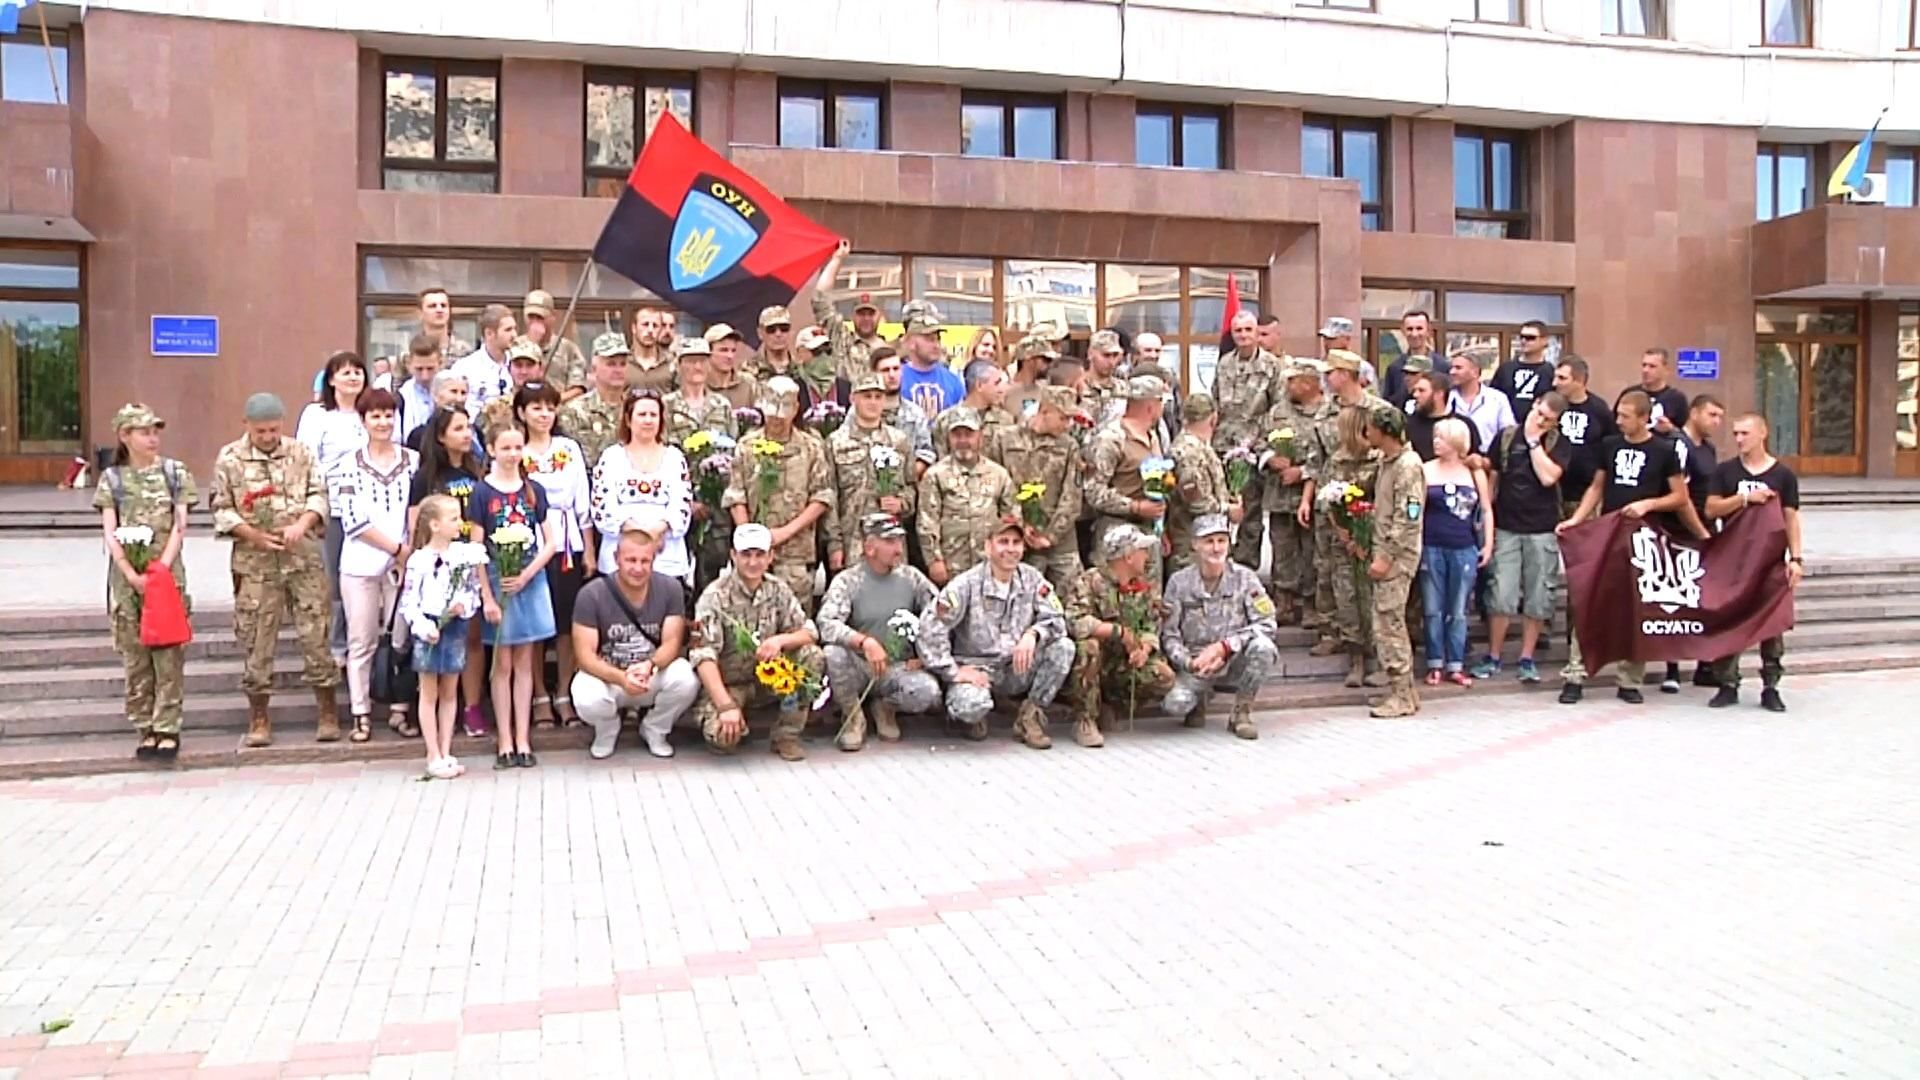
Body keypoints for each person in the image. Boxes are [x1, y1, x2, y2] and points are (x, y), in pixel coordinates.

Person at [1556, 389, 1711, 705]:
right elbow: (1597, 486)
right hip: (1609, 534)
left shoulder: (1664, 450)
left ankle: (1630, 679)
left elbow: (1679, 497)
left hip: (1644, 537)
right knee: (1592, 601)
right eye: (1618, 414)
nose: (1619, 420)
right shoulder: (1610, 445)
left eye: (1626, 416)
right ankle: (1576, 674)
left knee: (1637, 608)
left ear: (1644, 418)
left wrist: (1649, 504)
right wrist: (1578, 520)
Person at [210, 393, 340, 746]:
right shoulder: (231, 458)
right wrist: (251, 533)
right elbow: (221, 507)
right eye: (261, 430)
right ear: (246, 425)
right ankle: (259, 717)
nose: (268, 436)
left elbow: (319, 493)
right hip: (256, 563)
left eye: (273, 429)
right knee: (256, 639)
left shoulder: (301, 453)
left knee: (315, 632)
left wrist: (304, 522)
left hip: (302, 558)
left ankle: (327, 711)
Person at [917, 516, 1074, 745]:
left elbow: (1057, 619)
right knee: (971, 706)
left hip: (1015, 667)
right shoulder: (966, 584)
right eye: (1003, 542)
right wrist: (952, 671)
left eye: (1016, 543)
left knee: (1064, 648)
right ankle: (967, 717)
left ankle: (1029, 717)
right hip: (978, 671)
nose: (1010, 549)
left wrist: (1034, 634)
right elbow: (931, 626)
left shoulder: (1031, 579)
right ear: (988, 546)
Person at [97, 403, 196, 761]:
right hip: (128, 582)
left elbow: (180, 524)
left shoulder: (174, 473)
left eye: (156, 431)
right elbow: (110, 529)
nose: (152, 438)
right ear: (125, 436)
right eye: (144, 432)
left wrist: (161, 569)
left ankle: (168, 727)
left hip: (166, 577)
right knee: (135, 656)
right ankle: (144, 726)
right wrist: (129, 572)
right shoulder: (112, 479)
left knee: (168, 655)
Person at [689, 523, 827, 761]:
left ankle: (787, 735)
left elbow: (809, 631)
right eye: (746, 555)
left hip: (770, 679)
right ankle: (736, 719)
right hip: (730, 684)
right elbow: (704, 657)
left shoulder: (777, 589)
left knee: (812, 656)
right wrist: (725, 706)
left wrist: (780, 641)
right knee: (723, 739)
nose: (753, 562)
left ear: (770, 556)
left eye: (760, 555)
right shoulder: (715, 596)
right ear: (733, 555)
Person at [328, 388, 419, 742]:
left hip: (404, 566)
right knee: (362, 640)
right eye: (375, 416)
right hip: (361, 563)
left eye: (388, 415)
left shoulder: (412, 461)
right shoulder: (348, 463)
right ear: (363, 420)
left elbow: (418, 512)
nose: (383, 422)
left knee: (401, 639)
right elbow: (353, 520)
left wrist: (408, 553)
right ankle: (360, 713)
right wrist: (396, 549)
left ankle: (399, 709)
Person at [468, 421, 559, 769]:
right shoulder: (482, 493)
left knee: (525, 662)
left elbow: (550, 542)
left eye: (518, 448)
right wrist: (488, 598)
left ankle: (523, 737)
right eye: (505, 448)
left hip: (528, 578)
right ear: (491, 450)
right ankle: (504, 738)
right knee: (501, 664)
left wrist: (527, 574)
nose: (512, 454)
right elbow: (477, 548)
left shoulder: (533, 489)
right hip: (497, 578)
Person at [570, 525, 700, 758]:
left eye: (645, 561)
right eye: (631, 560)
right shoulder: (591, 594)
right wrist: (620, 677)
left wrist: (650, 665)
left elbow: (672, 642)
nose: (638, 568)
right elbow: (585, 656)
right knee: (584, 695)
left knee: (686, 678)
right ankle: (607, 729)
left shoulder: (670, 588)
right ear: (616, 558)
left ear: (654, 560)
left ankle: (655, 728)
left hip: (650, 673)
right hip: (610, 676)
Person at [818, 513, 942, 750]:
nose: (898, 549)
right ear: (870, 547)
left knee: (928, 692)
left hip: (897, 667)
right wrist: (864, 642)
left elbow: (939, 616)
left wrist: (924, 656)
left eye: (899, 541)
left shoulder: (912, 578)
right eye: (890, 542)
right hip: (861, 665)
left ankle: (886, 708)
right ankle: (853, 715)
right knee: (833, 654)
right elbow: (826, 623)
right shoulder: (848, 581)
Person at [1704, 414, 1801, 713]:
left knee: (1771, 623)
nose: (1739, 439)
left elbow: (1791, 517)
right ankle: (1727, 683)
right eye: (1735, 433)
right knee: (1731, 618)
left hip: (1770, 561)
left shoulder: (1783, 475)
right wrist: (1744, 499)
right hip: (1733, 560)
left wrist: (1796, 558)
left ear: (1762, 433)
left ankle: (1771, 685)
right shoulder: (1725, 471)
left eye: (1745, 433)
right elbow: (1711, 508)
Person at [1472, 393, 1570, 685]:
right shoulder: (1506, 437)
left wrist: (1534, 443)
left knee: (1539, 595)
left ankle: (1526, 657)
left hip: (1542, 527)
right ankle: (1494, 654)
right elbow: (1492, 473)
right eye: (1539, 413)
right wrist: (1485, 514)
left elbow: (1549, 477)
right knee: (1501, 593)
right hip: (1507, 525)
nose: (1540, 421)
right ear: (1534, 404)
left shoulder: (1557, 443)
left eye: (1548, 419)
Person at [1301, 351, 1388, 679]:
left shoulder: (1378, 411)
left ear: (1347, 374)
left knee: (1372, 589)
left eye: (1332, 372)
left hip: (1370, 510)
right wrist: (1310, 499)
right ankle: (1349, 648)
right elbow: (1317, 459)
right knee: (1337, 579)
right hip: (1334, 505)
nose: (1326, 378)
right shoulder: (1325, 411)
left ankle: (1376, 654)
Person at [407, 406, 489, 736]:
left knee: (471, 637)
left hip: (469, 561)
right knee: (437, 639)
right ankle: (435, 712)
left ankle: (470, 706)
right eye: (458, 428)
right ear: (441, 436)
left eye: (468, 427)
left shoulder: (476, 470)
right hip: (437, 568)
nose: (467, 434)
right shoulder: (427, 476)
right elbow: (416, 521)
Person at [1161, 514, 1279, 739]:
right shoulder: (1179, 582)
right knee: (1175, 705)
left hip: (1233, 658)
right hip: (1197, 663)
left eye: (1221, 541)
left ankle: (1241, 712)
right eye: (1209, 541)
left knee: (1264, 648)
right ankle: (1199, 700)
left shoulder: (1246, 579)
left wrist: (1225, 647)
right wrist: (1189, 662)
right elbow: (1170, 635)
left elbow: (1267, 623)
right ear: (1195, 545)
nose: (1216, 548)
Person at [517, 381, 591, 727]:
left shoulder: (569, 448)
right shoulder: (516, 450)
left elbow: (582, 503)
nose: (544, 414)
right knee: (534, 625)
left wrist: (588, 550)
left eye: (549, 407)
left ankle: (564, 692)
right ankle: (538, 696)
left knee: (566, 624)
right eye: (536, 408)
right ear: (522, 412)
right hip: (528, 542)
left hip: (567, 542)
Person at [726, 376, 833, 606]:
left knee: (794, 621)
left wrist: (784, 532)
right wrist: (750, 536)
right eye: (772, 410)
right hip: (752, 556)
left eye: (784, 409)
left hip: (794, 554)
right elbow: (736, 495)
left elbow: (821, 497)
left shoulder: (811, 447)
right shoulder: (747, 446)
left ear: (795, 409)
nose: (776, 418)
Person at [1065, 526, 1176, 748]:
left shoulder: (1142, 586)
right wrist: (1118, 632)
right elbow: (1074, 620)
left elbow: (1150, 624)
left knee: (1163, 676)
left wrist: (1144, 648)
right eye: (1142, 550)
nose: (1147, 556)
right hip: (1093, 663)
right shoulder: (1090, 581)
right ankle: (1084, 718)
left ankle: (1111, 706)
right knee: (1089, 647)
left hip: (1121, 663)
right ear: (1128, 556)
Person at [399, 494, 483, 780]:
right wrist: (424, 627)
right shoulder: (419, 560)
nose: (459, 523)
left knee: (450, 690)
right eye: (453, 518)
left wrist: (464, 607)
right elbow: (409, 602)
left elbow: (473, 591)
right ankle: (432, 752)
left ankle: (446, 750)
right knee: (429, 692)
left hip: (454, 625)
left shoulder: (463, 555)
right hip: (430, 627)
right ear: (434, 525)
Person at [298, 350, 371, 664]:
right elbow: (306, 461)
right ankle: (336, 646)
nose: (353, 376)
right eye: (345, 372)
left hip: (370, 511)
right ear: (331, 379)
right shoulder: (318, 415)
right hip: (335, 510)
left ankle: (361, 641)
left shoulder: (370, 413)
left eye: (358, 371)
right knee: (337, 581)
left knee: (364, 579)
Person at [1416, 418, 1493, 687]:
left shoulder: (1473, 473)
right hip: (1432, 545)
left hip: (1464, 547)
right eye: (1435, 436)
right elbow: (1416, 509)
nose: (1436, 441)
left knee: (1458, 609)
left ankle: (1456, 664)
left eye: (1443, 438)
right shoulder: (1425, 471)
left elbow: (1485, 509)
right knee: (1433, 607)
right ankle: (1435, 662)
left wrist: (1488, 543)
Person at [591, 390, 694, 585]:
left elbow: (681, 506)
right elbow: (602, 507)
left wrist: (657, 532)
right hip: (619, 558)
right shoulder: (611, 457)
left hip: (666, 557)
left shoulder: (674, 458)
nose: (648, 420)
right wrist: (637, 536)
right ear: (629, 420)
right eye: (642, 414)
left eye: (653, 415)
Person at [1362, 405, 1425, 717]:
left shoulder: (1408, 466)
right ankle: (1405, 691)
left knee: (1390, 623)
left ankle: (1400, 695)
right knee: (1385, 621)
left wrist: (1386, 557)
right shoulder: (1387, 462)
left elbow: (1409, 515)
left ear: (1384, 431)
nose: (1366, 433)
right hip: (1384, 549)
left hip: (1398, 557)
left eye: (1371, 428)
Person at [991, 385, 1084, 593]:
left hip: (1061, 538)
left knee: (1073, 595)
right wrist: (1019, 526)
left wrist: (1051, 536)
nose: (1068, 425)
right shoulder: (1005, 439)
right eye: (1063, 418)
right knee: (1021, 594)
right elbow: (997, 488)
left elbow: (1073, 496)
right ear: (1044, 412)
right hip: (1017, 537)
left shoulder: (1069, 446)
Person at [1662, 393, 1726, 693]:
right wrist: (1700, 532)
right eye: (1712, 415)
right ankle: (1671, 668)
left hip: (1705, 528)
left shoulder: (1709, 449)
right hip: (1679, 532)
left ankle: (1705, 664)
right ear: (1695, 413)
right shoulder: (1679, 445)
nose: (1717, 422)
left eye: (1720, 417)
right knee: (1674, 600)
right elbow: (1680, 497)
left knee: (1704, 598)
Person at [1260, 357, 1330, 623]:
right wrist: (1270, 459)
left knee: (1313, 551)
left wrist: (1301, 472)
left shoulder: (1327, 413)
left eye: (1294, 380)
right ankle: (1284, 601)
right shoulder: (1277, 412)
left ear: (1310, 383)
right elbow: (1257, 443)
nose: (1288, 385)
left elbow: (1330, 455)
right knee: (1282, 548)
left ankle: (1312, 604)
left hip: (1311, 497)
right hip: (1280, 496)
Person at [919, 407, 1017, 586]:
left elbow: (1011, 519)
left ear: (980, 436)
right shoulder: (935, 475)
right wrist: (934, 560)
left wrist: (1007, 555)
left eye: (968, 434)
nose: (963, 441)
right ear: (949, 438)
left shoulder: (999, 474)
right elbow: (927, 522)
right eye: (957, 435)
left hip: (990, 564)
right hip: (951, 565)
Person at [827, 373, 916, 572]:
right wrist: (834, 545)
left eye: (878, 396)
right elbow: (830, 497)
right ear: (853, 398)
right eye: (867, 396)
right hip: (853, 541)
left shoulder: (899, 441)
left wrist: (901, 503)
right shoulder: (836, 442)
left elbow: (912, 487)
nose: (873, 402)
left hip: (891, 541)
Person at [1213, 311, 1281, 570]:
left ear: (1256, 333)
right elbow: (1216, 401)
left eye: (1247, 330)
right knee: (1224, 508)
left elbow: (1277, 409)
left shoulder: (1272, 366)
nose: (1242, 335)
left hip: (1253, 449)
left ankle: (1246, 567)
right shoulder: (1224, 364)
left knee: (1251, 514)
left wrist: (1259, 443)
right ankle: (1222, 565)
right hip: (1223, 447)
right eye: (1238, 331)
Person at [1085, 376, 1172, 577]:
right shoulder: (1111, 438)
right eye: (1161, 403)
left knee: (1149, 596)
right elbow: (1093, 490)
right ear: (1151, 406)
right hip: (1118, 530)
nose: (1162, 409)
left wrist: (1161, 526)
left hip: (1149, 530)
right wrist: (1135, 507)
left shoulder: (1151, 436)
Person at [1168, 393, 1232, 576]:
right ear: (1213, 418)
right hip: (1191, 544)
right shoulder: (1188, 452)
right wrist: (1227, 509)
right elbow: (1196, 502)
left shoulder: (1200, 446)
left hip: (1205, 541)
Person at [1550, 356, 1617, 518]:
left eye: (1562, 378)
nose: (1555, 383)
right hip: (1552, 491)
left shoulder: (1599, 410)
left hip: (1585, 493)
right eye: (1555, 377)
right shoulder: (1551, 405)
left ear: (1579, 381)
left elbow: (1611, 444)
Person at [811, 241, 887, 379]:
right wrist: (837, 259)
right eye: (861, 314)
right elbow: (820, 300)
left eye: (871, 314)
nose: (866, 319)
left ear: (880, 315)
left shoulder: (888, 352)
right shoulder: (842, 340)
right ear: (852, 316)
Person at [561, 332, 633, 467]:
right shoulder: (574, 411)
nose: (618, 370)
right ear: (594, 368)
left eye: (622, 364)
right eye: (611, 364)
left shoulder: (635, 410)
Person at [662, 336, 737, 448]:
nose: (698, 367)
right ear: (678, 365)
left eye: (702, 361)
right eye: (691, 361)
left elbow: (733, 443)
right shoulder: (666, 404)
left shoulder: (722, 404)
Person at [874, 347, 936, 479]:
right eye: (885, 370)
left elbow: (926, 452)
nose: (892, 375)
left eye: (896, 369)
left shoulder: (915, 413)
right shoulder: (859, 412)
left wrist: (904, 478)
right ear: (874, 373)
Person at [931, 360, 1015, 457]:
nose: (1001, 389)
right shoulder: (945, 420)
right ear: (979, 385)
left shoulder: (1005, 420)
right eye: (996, 383)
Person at [519, 290, 586, 402]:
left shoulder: (568, 348)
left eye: (540, 317)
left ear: (552, 317)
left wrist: (551, 401)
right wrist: (532, 346)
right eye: (531, 317)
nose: (535, 322)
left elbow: (578, 388)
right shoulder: (515, 346)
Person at [451, 304, 518, 417]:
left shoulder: (519, 365)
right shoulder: (465, 368)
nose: (514, 335)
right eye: (508, 330)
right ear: (489, 333)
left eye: (514, 329)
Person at [1405, 370, 1485, 462]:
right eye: (1415, 390)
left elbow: (1477, 459)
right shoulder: (1408, 425)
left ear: (1439, 394)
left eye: (1421, 391)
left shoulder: (1463, 425)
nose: (1415, 395)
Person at [1446, 351, 1516, 457]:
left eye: (1458, 368)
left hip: (1489, 459)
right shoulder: (1446, 398)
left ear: (1475, 372)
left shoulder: (1497, 399)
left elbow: (1508, 433)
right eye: (1452, 368)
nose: (1452, 372)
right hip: (1454, 460)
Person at [898, 307, 964, 418]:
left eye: (938, 339)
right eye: (929, 339)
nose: (936, 345)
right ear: (911, 343)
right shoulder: (897, 377)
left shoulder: (952, 380)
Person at [1617, 348, 1691, 436]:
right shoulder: (1630, 393)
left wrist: (1670, 429)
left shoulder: (1677, 398)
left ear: (1666, 369)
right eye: (1644, 365)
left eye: (1652, 366)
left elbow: (1686, 434)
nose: (1646, 370)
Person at [1490, 320, 1555, 418]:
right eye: (1521, 337)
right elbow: (1493, 398)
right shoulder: (1506, 369)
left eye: (1530, 338)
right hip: (1508, 427)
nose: (1524, 341)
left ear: (1544, 340)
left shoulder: (1551, 371)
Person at [1379, 310, 1441, 408]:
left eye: (1419, 328)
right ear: (1403, 331)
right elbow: (1388, 404)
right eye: (1410, 329)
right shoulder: (1395, 368)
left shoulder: (1442, 366)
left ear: (1429, 331)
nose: (1414, 334)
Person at [405, 372, 468, 455]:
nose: (459, 399)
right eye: (454, 391)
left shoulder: (475, 433)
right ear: (435, 395)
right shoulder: (420, 436)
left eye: (463, 393)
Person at [396, 335, 444, 445]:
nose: (425, 376)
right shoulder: (400, 398)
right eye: (419, 369)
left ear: (441, 363)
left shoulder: (454, 392)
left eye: (430, 369)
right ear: (408, 364)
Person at [1080, 329, 1128, 428]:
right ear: (1090, 354)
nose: (1111, 362)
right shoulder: (1078, 386)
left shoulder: (1124, 388)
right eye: (1106, 355)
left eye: (1115, 355)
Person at [705, 323, 760, 411]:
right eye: (724, 350)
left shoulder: (748, 383)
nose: (730, 356)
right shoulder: (700, 385)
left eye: (733, 350)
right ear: (708, 352)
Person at [1005, 333, 1057, 420]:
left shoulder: (1045, 392)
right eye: (1046, 360)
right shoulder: (1005, 392)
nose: (1049, 365)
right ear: (1029, 359)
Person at [626, 307, 678, 395]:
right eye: (645, 324)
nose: (650, 330)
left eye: (655, 326)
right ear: (634, 328)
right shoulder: (622, 363)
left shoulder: (672, 363)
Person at [1317, 316, 1378, 388]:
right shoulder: (1317, 367)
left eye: (1331, 339)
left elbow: (1371, 396)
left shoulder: (1363, 368)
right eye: (1325, 338)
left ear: (1347, 339)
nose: (1326, 343)